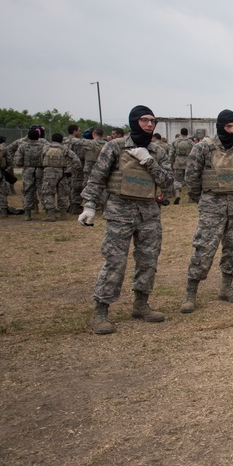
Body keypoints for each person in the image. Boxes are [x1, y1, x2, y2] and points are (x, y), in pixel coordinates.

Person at [78, 106, 174, 335]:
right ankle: (101, 311)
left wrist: (148, 161)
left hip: (149, 214)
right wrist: (89, 204)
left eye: (152, 121)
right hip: (119, 213)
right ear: (134, 122)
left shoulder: (158, 151)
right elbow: (98, 177)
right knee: (115, 263)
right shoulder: (116, 146)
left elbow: (168, 182)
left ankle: (141, 305)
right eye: (144, 120)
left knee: (148, 261)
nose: (149, 125)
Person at [179, 110, 233, 313]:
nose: (232, 131)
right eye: (228, 127)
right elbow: (191, 179)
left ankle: (226, 287)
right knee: (204, 249)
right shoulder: (202, 148)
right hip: (212, 209)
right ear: (220, 127)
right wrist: (203, 200)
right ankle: (190, 293)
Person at [40, 132, 82, 221]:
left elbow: (41, 159)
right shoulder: (65, 148)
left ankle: (50, 214)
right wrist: (71, 170)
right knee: (62, 193)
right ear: (61, 140)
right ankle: (63, 214)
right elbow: (76, 160)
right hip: (62, 173)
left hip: (48, 173)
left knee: (48, 193)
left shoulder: (46, 148)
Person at [13, 125, 49, 221]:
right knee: (43, 190)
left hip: (28, 170)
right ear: (38, 136)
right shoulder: (44, 146)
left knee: (27, 191)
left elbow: (18, 162)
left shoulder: (22, 146)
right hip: (40, 170)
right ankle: (48, 211)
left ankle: (27, 214)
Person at [63, 124, 90, 214]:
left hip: (64, 166)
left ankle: (70, 205)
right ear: (74, 131)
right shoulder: (77, 142)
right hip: (75, 167)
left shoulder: (64, 140)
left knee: (68, 187)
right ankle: (75, 206)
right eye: (78, 130)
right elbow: (81, 155)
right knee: (77, 186)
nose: (80, 132)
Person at [170, 128, 195, 204]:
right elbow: (194, 153)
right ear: (187, 133)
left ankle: (177, 194)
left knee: (177, 179)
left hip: (178, 162)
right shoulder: (191, 142)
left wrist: (170, 162)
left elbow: (171, 153)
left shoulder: (175, 141)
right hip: (188, 162)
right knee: (189, 180)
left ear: (180, 133)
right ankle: (190, 198)